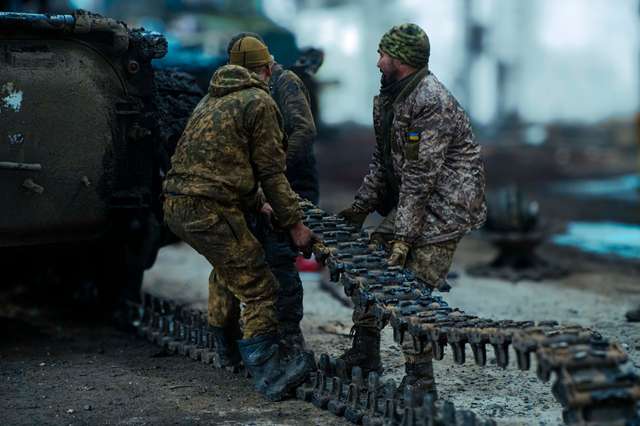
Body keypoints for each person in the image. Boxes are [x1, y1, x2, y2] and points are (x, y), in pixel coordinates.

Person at [338, 23, 487, 399]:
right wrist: (360, 207)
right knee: (369, 263)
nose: (377, 62)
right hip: (417, 199)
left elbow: (420, 177)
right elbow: (384, 161)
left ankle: (420, 379)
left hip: (447, 203)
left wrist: (403, 239)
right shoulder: (390, 97)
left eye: (382, 54)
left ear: (400, 60)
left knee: (411, 285)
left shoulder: (430, 101)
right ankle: (365, 351)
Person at [162, 36, 315, 401]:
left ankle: (227, 349)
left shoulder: (211, 98)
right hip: (209, 208)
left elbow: (218, 160)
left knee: (227, 272)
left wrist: (254, 201)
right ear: (265, 69)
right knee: (259, 284)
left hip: (177, 204)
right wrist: (294, 223)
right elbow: (272, 173)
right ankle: (269, 371)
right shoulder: (259, 100)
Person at [225, 33, 319, 354]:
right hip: (265, 185)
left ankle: (290, 336)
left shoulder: (284, 82)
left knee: (280, 257)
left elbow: (303, 131)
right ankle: (260, 331)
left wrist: (273, 172)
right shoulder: (251, 90)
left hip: (292, 183)